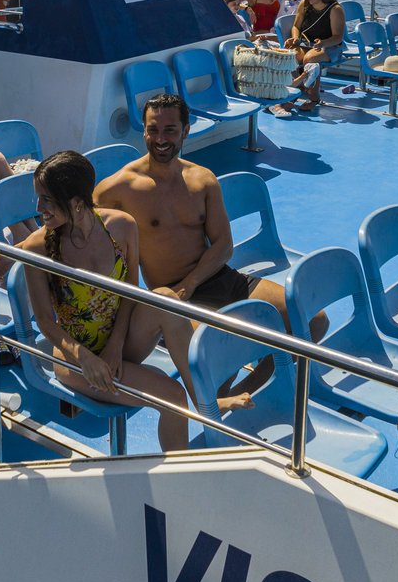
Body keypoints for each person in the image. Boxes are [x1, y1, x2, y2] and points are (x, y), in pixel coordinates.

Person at [95, 94, 321, 400]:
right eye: (153, 130)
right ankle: (224, 406)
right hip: (174, 296)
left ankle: (248, 392)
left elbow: (224, 245)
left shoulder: (202, 180)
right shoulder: (118, 188)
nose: (160, 139)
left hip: (219, 278)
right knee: (223, 358)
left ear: (186, 130)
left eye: (170, 130)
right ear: (144, 131)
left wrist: (191, 283)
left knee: (313, 322)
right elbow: (81, 236)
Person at [16, 151, 193, 450]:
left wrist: (114, 346)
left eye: (46, 199)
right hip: (77, 360)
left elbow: (130, 290)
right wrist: (86, 358)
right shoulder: (38, 248)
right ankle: (179, 490)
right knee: (173, 398)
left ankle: (203, 398)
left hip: (119, 343)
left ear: (75, 203)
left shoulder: (122, 226)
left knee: (164, 298)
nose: (38, 208)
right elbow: (45, 322)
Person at [271, 0, 346, 115]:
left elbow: (338, 37)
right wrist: (295, 38)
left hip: (331, 47)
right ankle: (298, 90)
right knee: (290, 55)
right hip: (307, 44)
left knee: (310, 59)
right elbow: (296, 26)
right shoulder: (304, 4)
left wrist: (323, 42)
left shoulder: (335, 10)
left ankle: (313, 96)